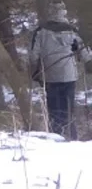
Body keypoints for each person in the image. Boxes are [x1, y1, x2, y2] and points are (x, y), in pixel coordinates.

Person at [29, 9, 91, 140]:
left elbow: (34, 55)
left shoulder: (41, 31)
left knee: (54, 108)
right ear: (64, 13)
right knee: (69, 108)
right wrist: (89, 63)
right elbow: (83, 49)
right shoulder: (72, 30)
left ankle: (56, 135)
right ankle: (72, 136)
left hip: (50, 74)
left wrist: (35, 72)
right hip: (69, 75)